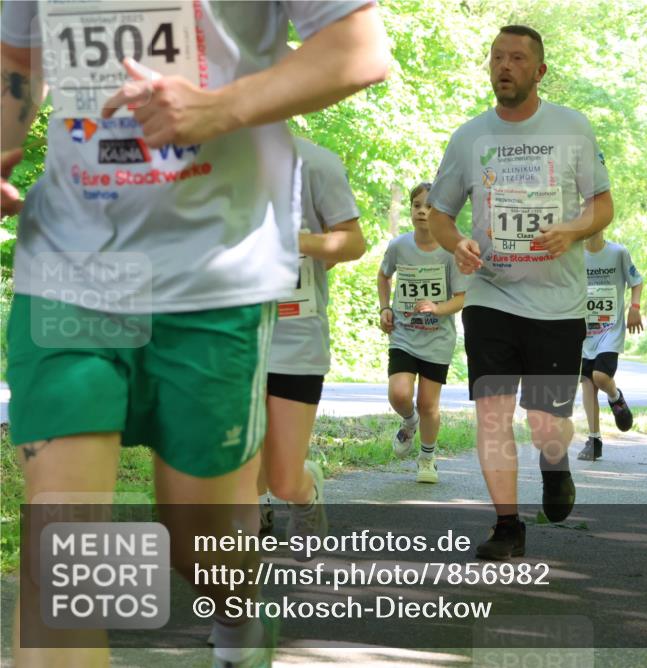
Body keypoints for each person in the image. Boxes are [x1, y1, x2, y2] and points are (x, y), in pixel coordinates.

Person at [0, 2, 389, 666]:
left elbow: (358, 49)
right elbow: (17, 59)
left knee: (200, 548)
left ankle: (237, 622)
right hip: (70, 266)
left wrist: (219, 108)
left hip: (215, 278)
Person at [427, 25, 613, 559]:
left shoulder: (572, 129)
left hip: (557, 303)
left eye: (516, 58)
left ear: (539, 71)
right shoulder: (468, 138)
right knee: (491, 410)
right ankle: (507, 525)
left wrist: (573, 230)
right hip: (490, 294)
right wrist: (457, 241)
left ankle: (554, 464)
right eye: (496, 57)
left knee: (545, 426)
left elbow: (603, 205)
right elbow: (441, 214)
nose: (503, 66)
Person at [258, 139, 364, 547]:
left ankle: (305, 493)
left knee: (282, 478)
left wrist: (296, 243)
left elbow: (353, 243)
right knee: (239, 471)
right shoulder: (205, 159)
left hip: (294, 338)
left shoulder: (317, 163)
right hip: (231, 337)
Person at [378, 182, 468, 483]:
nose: (422, 211)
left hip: (437, 338)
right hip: (404, 333)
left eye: (429, 206)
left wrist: (437, 308)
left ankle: (427, 459)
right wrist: (384, 308)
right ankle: (409, 421)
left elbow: (461, 297)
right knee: (399, 393)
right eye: (417, 205)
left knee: (429, 403)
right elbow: (384, 275)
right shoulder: (399, 246)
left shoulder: (450, 252)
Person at [577, 229, 643, 461]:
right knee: (587, 382)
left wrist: (634, 308)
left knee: (600, 377)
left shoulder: (618, 252)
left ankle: (615, 397)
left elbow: (636, 281)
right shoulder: (574, 255)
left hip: (610, 330)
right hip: (584, 332)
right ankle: (594, 440)